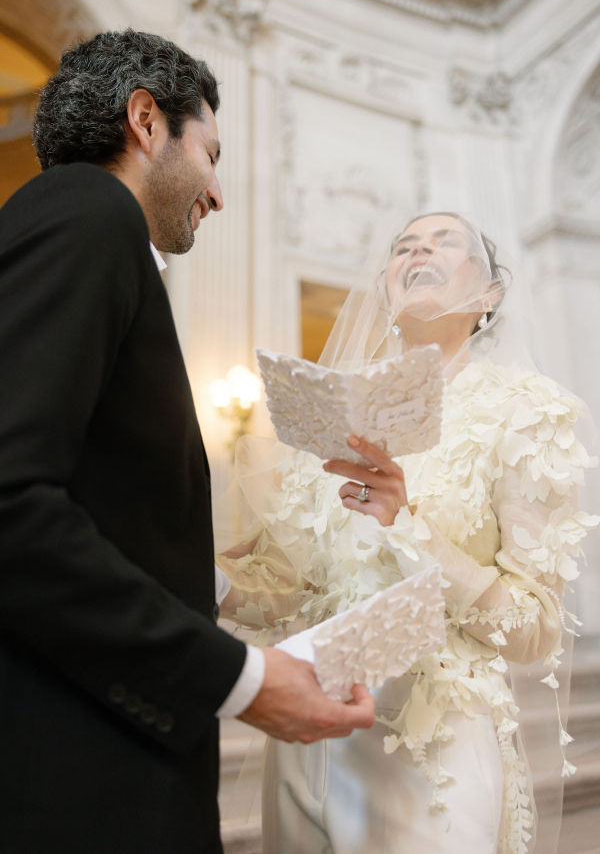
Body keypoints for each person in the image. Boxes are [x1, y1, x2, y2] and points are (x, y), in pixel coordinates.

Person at [0, 29, 375, 854]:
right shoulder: (87, 212)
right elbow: (10, 502)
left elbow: (74, 491)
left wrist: (202, 572)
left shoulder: (81, 227)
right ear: (145, 120)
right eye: (210, 151)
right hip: (74, 781)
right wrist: (241, 680)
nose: (218, 190)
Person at [216, 212, 598, 854]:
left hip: (437, 744)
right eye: (404, 246)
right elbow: (287, 590)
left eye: (447, 241)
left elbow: (535, 628)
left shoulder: (528, 411)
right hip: (313, 730)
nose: (420, 249)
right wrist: (199, 575)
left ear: (489, 296)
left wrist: (412, 528)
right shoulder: (331, 419)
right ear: (386, 288)